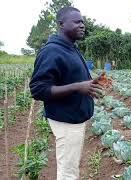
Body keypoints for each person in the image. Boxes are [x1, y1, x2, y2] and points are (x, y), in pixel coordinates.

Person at [29, 7, 103, 180]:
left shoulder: (71, 48)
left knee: (71, 167)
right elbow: (38, 89)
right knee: (68, 172)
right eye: (77, 21)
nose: (82, 25)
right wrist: (78, 87)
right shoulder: (52, 51)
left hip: (74, 118)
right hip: (66, 121)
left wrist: (90, 84)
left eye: (83, 21)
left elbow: (69, 77)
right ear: (61, 24)